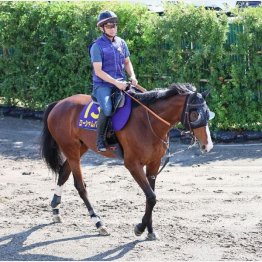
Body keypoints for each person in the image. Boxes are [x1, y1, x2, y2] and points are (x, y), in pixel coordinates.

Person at [89, 10, 139, 152]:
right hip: (103, 85)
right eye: (110, 26)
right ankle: (100, 140)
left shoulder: (122, 43)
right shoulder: (96, 46)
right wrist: (116, 83)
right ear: (102, 28)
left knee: (138, 102)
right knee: (108, 108)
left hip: (122, 82)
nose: (113, 28)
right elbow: (98, 71)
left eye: (115, 25)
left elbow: (127, 62)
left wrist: (133, 76)